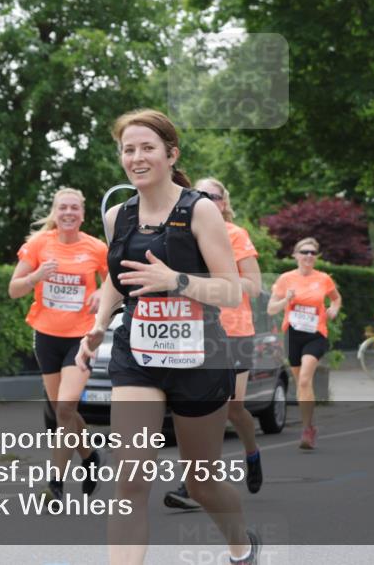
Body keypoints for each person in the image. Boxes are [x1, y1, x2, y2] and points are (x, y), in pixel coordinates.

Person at [75, 109, 259, 565]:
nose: (136, 157)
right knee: (131, 480)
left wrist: (176, 281)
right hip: (138, 356)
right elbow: (118, 278)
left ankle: (242, 548)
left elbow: (232, 290)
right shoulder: (118, 216)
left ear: (171, 154)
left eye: (147, 148)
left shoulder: (199, 210)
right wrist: (98, 324)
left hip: (200, 359)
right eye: (128, 149)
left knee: (202, 482)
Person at [164, 177, 264, 511]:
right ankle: (194, 482)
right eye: (201, 194)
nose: (208, 199)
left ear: (224, 202)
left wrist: (220, 279)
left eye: (214, 196)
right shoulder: (183, 232)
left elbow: (254, 286)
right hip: (197, 329)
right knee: (201, 408)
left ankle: (252, 452)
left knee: (233, 408)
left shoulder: (236, 235)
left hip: (235, 330)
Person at [8, 188, 107, 500]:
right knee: (61, 410)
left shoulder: (96, 248)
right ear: (55, 212)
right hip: (46, 336)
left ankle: (55, 484)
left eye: (74, 208)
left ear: (82, 214)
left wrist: (102, 293)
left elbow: (116, 284)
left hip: (81, 339)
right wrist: (36, 276)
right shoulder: (39, 244)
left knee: (65, 406)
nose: (68, 213)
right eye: (63, 207)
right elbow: (14, 289)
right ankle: (90, 456)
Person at [268, 237, 342, 450]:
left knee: (304, 380)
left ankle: (306, 430)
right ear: (295, 255)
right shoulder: (285, 279)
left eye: (312, 253)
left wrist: (334, 309)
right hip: (293, 335)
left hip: (315, 334)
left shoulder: (323, 279)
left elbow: (336, 298)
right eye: (304, 252)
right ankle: (309, 425)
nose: (309, 256)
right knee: (301, 383)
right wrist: (286, 300)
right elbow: (271, 309)